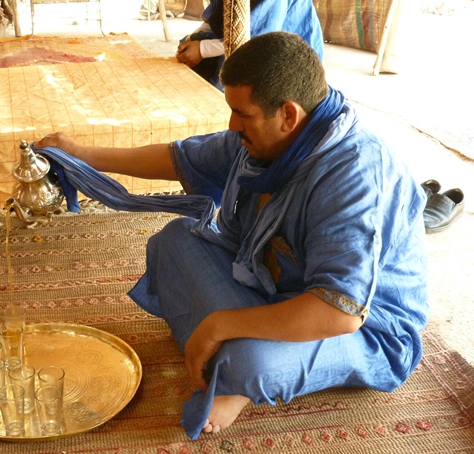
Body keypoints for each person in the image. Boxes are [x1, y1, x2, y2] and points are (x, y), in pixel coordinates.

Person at [33, 32, 429, 440]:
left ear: (288, 115)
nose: (232, 125)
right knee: (173, 241)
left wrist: (221, 325)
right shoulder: (269, 140)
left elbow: (339, 311)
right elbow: (179, 157)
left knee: (251, 363)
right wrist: (81, 153)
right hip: (272, 285)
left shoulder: (355, 174)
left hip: (366, 327)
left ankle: (236, 377)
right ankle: (231, 354)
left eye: (242, 114)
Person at [175, 0, 324, 90]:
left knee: (234, 76)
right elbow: (215, 18)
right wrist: (191, 41)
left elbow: (255, 37)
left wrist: (202, 49)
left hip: (283, 59)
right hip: (245, 40)